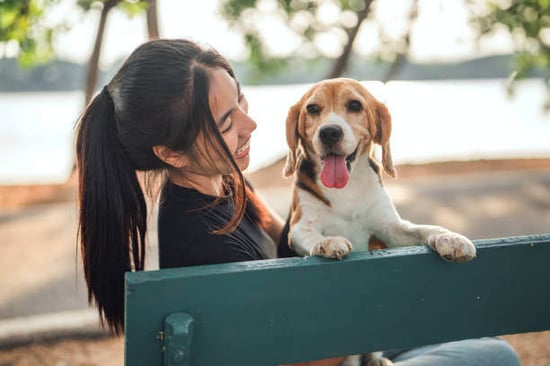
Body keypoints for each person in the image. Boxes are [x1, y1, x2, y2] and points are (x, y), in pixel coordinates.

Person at [75, 38, 520, 366]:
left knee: (479, 343)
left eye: (242, 102)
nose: (250, 124)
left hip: (335, 333)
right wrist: (378, 302)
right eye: (228, 121)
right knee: (495, 356)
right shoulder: (205, 252)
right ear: (170, 153)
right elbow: (303, 358)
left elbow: (291, 232)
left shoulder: (225, 186)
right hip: (331, 351)